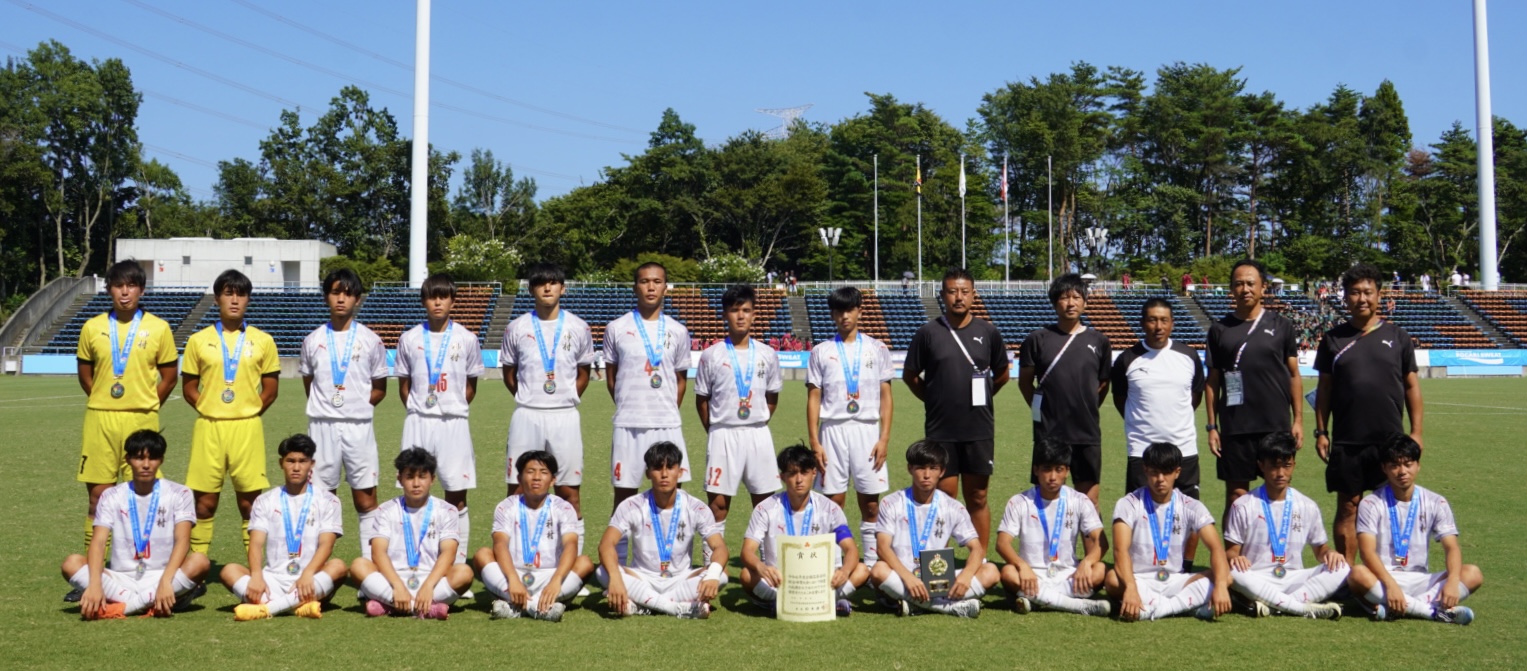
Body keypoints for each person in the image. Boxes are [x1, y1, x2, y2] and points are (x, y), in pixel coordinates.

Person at [69, 260, 180, 601]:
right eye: (119, 285)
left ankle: (153, 571)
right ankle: (93, 576)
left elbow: (170, 376)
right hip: (101, 419)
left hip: (141, 419)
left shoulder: (159, 327)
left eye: (131, 285)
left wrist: (147, 404)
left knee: (145, 497)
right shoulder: (92, 327)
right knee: (98, 498)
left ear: (141, 290)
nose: (125, 292)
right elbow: (85, 374)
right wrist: (105, 400)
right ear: (110, 290)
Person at [1313, 262, 1422, 563]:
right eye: (1355, 292)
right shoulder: (1333, 339)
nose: (1362, 298)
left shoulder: (1398, 337)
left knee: (1389, 507)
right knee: (1348, 506)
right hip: (1347, 439)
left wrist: (1416, 432)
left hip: (1390, 441)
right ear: (1346, 297)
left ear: (1378, 295)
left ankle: (1387, 571)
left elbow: (1412, 387)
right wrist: (1321, 432)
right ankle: (1346, 574)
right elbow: (1324, 390)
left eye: (1368, 292)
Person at [903, 267, 1009, 552]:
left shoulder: (988, 332)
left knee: (978, 496)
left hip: (978, 428)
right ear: (943, 295)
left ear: (974, 295)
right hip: (941, 429)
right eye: (952, 292)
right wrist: (933, 399)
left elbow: (1002, 374)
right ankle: (940, 563)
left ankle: (979, 560)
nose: (958, 297)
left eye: (964, 292)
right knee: (943, 496)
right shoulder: (928, 333)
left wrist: (983, 397)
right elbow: (910, 376)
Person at [61, 429, 211, 619]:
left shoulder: (180, 493)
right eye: (139, 458)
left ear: (161, 460)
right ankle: (154, 602)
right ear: (128, 459)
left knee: (200, 561)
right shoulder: (111, 495)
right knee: (71, 563)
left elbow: (183, 540)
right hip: (120, 579)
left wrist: (166, 581)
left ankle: (123, 607)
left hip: (164, 575)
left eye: (153, 458)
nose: (146, 465)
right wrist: (95, 584)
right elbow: (98, 542)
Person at [182, 269, 280, 555]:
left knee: (250, 504)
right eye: (228, 294)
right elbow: (189, 388)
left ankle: (255, 568)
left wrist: (246, 412)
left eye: (241, 294)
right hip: (209, 427)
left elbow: (270, 390)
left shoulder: (263, 340)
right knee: (204, 503)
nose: (234, 300)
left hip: (247, 428)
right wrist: (210, 408)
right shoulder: (198, 340)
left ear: (248, 299)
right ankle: (196, 568)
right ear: (217, 299)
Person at [500, 263, 595, 552]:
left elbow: (583, 372)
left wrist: (565, 397)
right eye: (541, 283)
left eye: (553, 283)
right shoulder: (516, 327)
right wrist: (529, 397)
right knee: (518, 488)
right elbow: (509, 373)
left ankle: (573, 561)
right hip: (527, 414)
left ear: (562, 289)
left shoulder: (579, 327)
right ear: (532, 289)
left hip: (564, 415)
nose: (547, 288)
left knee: (568, 491)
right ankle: (516, 557)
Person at [604, 262, 693, 563]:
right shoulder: (616, 328)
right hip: (628, 423)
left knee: (671, 496)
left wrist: (663, 407)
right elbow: (612, 378)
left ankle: (672, 562)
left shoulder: (678, 331)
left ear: (666, 287)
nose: (651, 287)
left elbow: (680, 380)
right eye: (644, 281)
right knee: (623, 497)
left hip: (666, 423)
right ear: (635, 287)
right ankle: (617, 565)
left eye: (657, 281)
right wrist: (629, 404)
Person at [298, 268, 389, 557]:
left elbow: (380, 388)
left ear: (357, 299)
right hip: (322, 427)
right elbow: (310, 384)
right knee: (321, 499)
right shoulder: (312, 340)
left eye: (348, 294)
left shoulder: (371, 340)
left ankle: (370, 564)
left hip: (358, 427)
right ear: (326, 296)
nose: (341, 299)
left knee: (365, 498)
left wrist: (356, 406)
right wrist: (328, 406)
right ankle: (319, 565)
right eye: (335, 292)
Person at [1204, 259, 1302, 522]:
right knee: (1236, 498)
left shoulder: (1282, 325)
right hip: (1236, 427)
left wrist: (1298, 420)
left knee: (1277, 494)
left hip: (1276, 426)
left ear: (1263, 287)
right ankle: (1234, 549)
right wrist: (1212, 426)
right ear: (1231, 289)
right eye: (1238, 284)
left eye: (1250, 283)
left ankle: (1277, 548)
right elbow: (1212, 382)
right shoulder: (1219, 330)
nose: (1245, 289)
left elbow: (1294, 374)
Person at [1347, 435, 1482, 624]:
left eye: (1408, 464)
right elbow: (1366, 552)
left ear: (1418, 465)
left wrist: (1452, 581)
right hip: (1383, 578)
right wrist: (1391, 584)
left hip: (1421, 580)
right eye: (1394, 465)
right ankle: (1431, 612)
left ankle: (1399, 607)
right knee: (1357, 574)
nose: (1402, 471)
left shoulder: (1436, 502)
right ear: (1384, 468)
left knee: (1473, 573)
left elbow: (1451, 546)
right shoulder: (1370, 503)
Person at [396, 273, 484, 563]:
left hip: (453, 422)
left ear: (452, 301)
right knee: (414, 491)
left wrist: (451, 405)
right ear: (424, 301)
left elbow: (470, 387)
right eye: (432, 297)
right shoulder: (409, 338)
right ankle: (416, 557)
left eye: (443, 297)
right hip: (418, 420)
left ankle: (456, 561)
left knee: (456, 494)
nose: (437, 302)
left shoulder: (467, 339)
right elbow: (404, 386)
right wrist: (421, 408)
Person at [807, 286, 894, 565]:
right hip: (832, 430)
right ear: (832, 314)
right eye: (839, 311)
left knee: (871, 503)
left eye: (850, 309)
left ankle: (870, 563)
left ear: (860, 311)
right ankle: (834, 563)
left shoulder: (877, 348)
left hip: (867, 430)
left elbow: (886, 397)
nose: (844, 316)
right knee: (833, 502)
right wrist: (815, 441)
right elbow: (814, 398)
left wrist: (884, 438)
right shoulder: (821, 351)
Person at [220, 434, 348, 620]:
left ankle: (266, 608)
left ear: (311, 464)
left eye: (302, 461)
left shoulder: (329, 501)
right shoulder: (265, 500)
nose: (296, 467)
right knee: (229, 570)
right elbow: (256, 543)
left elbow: (326, 545)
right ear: (281, 463)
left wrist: (307, 574)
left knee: (338, 566)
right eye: (290, 461)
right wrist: (256, 575)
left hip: (310, 576)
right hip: (272, 578)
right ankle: (298, 606)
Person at [1222, 433, 1346, 619]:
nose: (1280, 473)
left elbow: (1321, 550)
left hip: (1294, 579)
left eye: (1286, 466)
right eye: (1274, 466)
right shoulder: (1243, 505)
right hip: (1257, 577)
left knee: (1342, 568)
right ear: (1261, 466)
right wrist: (1236, 558)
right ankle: (1301, 608)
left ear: (1294, 465)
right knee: (1234, 573)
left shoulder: (1307, 505)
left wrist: (1330, 553)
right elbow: (1231, 552)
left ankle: (1274, 605)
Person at [598, 441, 727, 619]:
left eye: (670, 468)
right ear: (648, 473)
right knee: (603, 572)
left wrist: (712, 574)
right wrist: (615, 577)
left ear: (680, 472)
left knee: (722, 575)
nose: (664, 474)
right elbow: (606, 544)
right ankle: (674, 608)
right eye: (658, 468)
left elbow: (720, 547)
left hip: (680, 579)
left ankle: (643, 605)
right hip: (642, 577)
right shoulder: (631, 505)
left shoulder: (696, 507)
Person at [870, 440, 999, 618]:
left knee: (991, 572)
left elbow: (976, 548)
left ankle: (916, 605)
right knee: (878, 570)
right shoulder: (891, 503)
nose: (926, 475)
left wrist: (966, 576)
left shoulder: (953, 507)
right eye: (920, 468)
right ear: (909, 469)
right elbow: (882, 547)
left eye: (933, 468)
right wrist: (909, 578)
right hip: (902, 577)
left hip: (939, 579)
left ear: (942, 471)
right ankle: (948, 607)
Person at [1105, 442, 1231, 621]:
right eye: (1154, 472)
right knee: (1112, 579)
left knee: (1226, 576)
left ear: (1177, 472)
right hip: (1139, 579)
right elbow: (1120, 551)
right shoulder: (1128, 504)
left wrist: (1221, 585)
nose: (1160, 479)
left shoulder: (1191, 506)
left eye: (1166, 472)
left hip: (1176, 580)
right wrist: (1131, 587)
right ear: (1145, 470)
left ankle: (1156, 609)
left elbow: (1216, 548)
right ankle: (1185, 606)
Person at [695, 285, 783, 540]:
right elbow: (702, 399)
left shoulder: (767, 354)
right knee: (718, 506)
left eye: (746, 310)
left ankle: (767, 557)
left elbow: (772, 398)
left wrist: (757, 419)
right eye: (735, 310)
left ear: (754, 314)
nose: (741, 316)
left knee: (765, 504)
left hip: (757, 434)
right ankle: (714, 559)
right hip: (722, 434)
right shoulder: (711, 355)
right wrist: (714, 429)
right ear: (725, 314)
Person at [740, 444, 867, 616]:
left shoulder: (830, 509)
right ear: (782, 477)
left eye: (804, 472)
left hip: (821, 582)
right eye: (792, 473)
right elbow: (747, 551)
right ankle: (826, 602)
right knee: (747, 575)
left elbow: (850, 549)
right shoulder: (765, 509)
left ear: (814, 473)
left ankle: (782, 604)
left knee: (861, 570)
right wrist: (761, 567)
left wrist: (844, 572)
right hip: (782, 581)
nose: (799, 479)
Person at [1019, 273, 1111, 508]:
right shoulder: (1037, 339)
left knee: (1089, 501)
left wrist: (1086, 406)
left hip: (1086, 432)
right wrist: (1042, 411)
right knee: (1046, 498)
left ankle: (1091, 537)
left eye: (1076, 297)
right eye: (1064, 297)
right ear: (1054, 302)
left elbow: (1103, 385)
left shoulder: (1099, 341)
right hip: (1049, 432)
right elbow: (1025, 383)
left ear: (1085, 302)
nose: (1070, 303)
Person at [350, 448, 475, 619]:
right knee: (358, 566)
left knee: (464, 573)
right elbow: (378, 553)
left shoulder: (447, 511)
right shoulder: (386, 510)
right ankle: (426, 608)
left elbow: (449, 553)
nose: (416, 484)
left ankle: (390, 606)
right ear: (399, 479)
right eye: (409, 477)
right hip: (392, 581)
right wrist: (397, 586)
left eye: (422, 477)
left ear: (432, 479)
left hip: (432, 581)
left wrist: (429, 585)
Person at [473, 450, 594, 622]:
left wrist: (556, 580)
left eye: (543, 472)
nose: (536, 477)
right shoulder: (506, 506)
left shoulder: (564, 508)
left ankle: (515, 607)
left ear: (553, 480)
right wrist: (513, 579)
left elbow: (571, 545)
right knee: (482, 555)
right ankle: (540, 608)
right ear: (519, 478)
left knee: (585, 563)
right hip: (513, 573)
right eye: (530, 472)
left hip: (550, 574)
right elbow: (500, 544)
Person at [995, 435, 1110, 616]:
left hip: (1068, 575)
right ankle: (1077, 605)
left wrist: (1087, 562)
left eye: (1059, 470)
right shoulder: (1019, 502)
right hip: (1032, 575)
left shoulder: (1079, 500)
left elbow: (1101, 541)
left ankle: (1038, 600)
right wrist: (1022, 566)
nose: (1053, 477)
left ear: (1067, 471)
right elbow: (1002, 543)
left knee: (1100, 569)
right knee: (1009, 572)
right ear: (1036, 470)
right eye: (1047, 469)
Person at [1112, 298, 1205, 503]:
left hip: (1184, 449)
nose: (1158, 326)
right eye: (1152, 320)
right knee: (1139, 512)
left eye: (1164, 320)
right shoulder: (1127, 359)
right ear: (1142, 323)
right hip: (1142, 450)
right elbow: (1120, 400)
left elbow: (1195, 397)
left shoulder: (1189, 356)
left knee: (1188, 512)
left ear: (1172, 323)